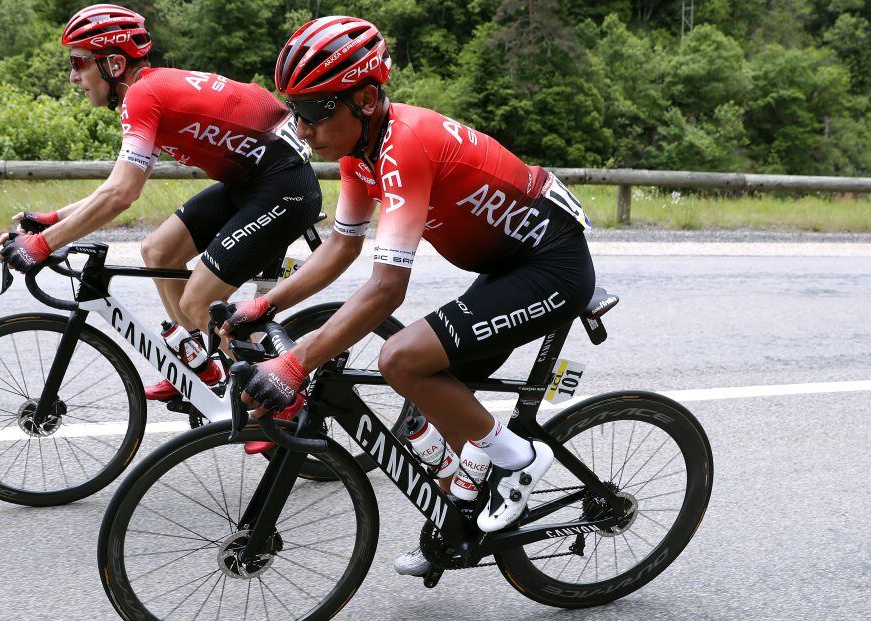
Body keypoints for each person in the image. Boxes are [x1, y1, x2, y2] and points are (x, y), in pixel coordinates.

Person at [222, 15, 596, 576]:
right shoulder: (360, 154)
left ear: (366, 99)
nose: (302, 128)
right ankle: (458, 527)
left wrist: (296, 362)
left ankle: (521, 459)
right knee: (426, 411)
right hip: (506, 266)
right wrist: (265, 305)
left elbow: (387, 289)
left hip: (551, 265)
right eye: (295, 111)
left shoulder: (405, 147)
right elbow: (341, 249)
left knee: (400, 358)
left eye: (315, 111)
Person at [0, 4, 321, 403]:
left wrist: (43, 243)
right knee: (158, 250)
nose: (73, 77)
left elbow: (121, 195)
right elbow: (118, 186)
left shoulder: (143, 95)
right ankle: (200, 364)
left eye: (78, 63)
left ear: (113, 63)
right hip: (253, 182)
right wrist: (52, 221)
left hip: (282, 186)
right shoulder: (150, 92)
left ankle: (282, 397)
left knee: (198, 299)